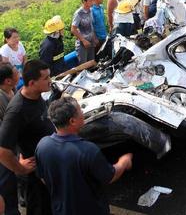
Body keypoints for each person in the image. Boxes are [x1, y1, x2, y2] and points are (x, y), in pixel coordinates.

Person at [35, 97, 133, 215]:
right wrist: (123, 162)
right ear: (72, 121)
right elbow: (110, 176)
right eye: (80, 110)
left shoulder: (42, 146)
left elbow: (43, 178)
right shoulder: (88, 150)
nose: (82, 113)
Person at [0, 60, 55, 215]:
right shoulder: (17, 111)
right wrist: (20, 169)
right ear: (32, 83)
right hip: (35, 174)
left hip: (47, 166)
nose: (50, 81)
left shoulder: (37, 96)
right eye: (46, 78)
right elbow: (3, 151)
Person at [0, 63, 19, 215]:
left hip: (13, 148)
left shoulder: (12, 91)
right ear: (8, 80)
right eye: (16, 72)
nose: (19, 73)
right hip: (4, 152)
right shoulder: (1, 98)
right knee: (7, 186)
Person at [71, 0, 98, 64]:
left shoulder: (90, 10)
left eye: (93, 0)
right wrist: (83, 40)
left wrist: (94, 37)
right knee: (83, 66)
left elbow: (91, 25)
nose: (92, 2)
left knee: (91, 63)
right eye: (90, 1)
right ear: (84, 1)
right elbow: (73, 29)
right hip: (82, 44)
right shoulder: (78, 13)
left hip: (91, 41)